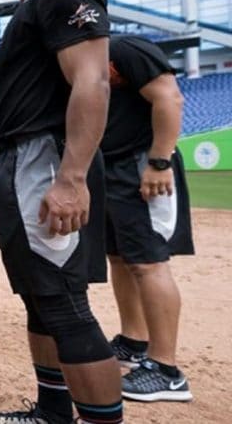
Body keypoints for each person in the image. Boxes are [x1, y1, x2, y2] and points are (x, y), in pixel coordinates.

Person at [0, 0, 123, 424]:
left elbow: (92, 81)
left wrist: (72, 178)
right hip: (23, 156)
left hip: (44, 164)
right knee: (39, 295)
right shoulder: (36, 2)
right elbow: (47, 90)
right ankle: (53, 412)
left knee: (62, 302)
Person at [102, 35, 194, 402]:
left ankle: (166, 370)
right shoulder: (76, 58)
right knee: (120, 259)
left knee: (149, 264)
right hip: (109, 169)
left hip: (142, 166)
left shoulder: (123, 49)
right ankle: (134, 342)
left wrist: (159, 161)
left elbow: (169, 97)